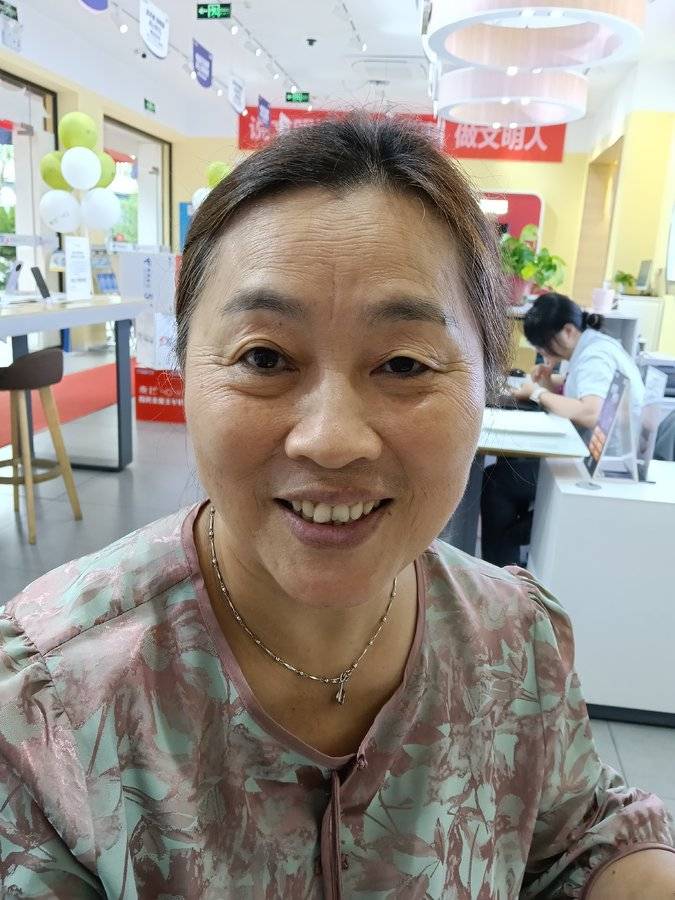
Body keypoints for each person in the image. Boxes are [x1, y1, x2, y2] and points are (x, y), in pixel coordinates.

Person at [0, 119, 672, 899]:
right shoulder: (50, 694)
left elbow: (578, 836)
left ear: (487, 381)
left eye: (403, 364)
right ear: (184, 371)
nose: (331, 440)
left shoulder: (516, 640)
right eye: (263, 357)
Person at [481, 292, 645, 568]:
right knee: (510, 463)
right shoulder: (593, 346)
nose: (543, 352)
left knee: (497, 481)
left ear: (568, 331)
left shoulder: (595, 355)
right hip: (589, 455)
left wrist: (537, 393)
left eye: (545, 345)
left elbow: (591, 412)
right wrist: (552, 381)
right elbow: (583, 389)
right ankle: (508, 560)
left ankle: (501, 569)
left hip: (598, 466)